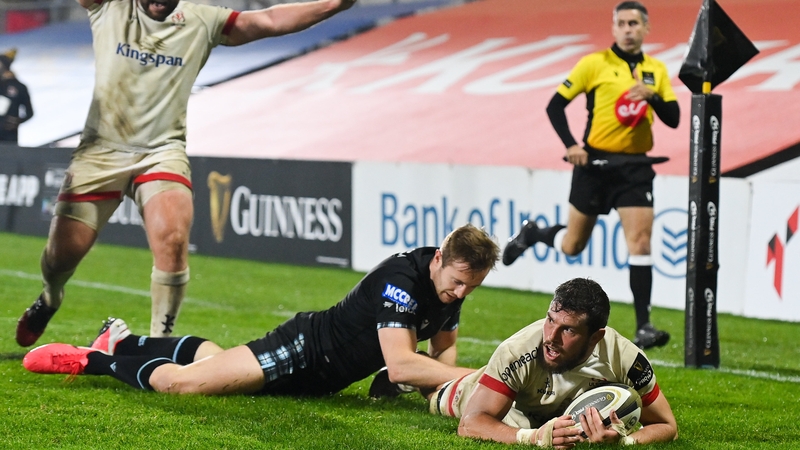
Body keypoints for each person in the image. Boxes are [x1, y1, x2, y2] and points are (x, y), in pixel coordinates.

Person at [15, 0, 357, 347]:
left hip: (161, 152)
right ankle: (50, 297)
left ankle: (159, 344)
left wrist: (334, 4)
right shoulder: (110, 7)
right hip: (100, 152)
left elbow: (269, 19)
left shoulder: (203, 20)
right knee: (61, 258)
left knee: (173, 240)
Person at [23, 224, 499, 398]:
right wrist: (484, 380)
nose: (460, 294)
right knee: (184, 385)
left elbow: (443, 354)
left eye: (470, 288)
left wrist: (436, 384)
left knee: (216, 359)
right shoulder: (404, 279)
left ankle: (123, 341)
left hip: (319, 378)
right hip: (303, 350)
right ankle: (95, 359)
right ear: (439, 258)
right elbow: (401, 362)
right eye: (457, 281)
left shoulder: (446, 292)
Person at [502, 1, 680, 350]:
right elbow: (555, 105)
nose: (628, 29)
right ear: (613, 29)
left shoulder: (656, 70)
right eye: (622, 23)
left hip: (634, 168)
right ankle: (534, 234)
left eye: (635, 23)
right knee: (572, 245)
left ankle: (644, 324)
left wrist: (654, 96)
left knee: (640, 243)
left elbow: (673, 117)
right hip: (594, 166)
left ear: (646, 29)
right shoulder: (593, 64)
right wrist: (572, 144)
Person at [427, 277, 678, 447]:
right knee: (434, 393)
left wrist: (623, 441)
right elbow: (470, 424)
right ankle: (413, 377)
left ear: (595, 337)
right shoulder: (518, 350)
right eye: (550, 320)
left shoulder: (625, 359)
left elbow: (667, 426)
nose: (551, 338)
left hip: (533, 406)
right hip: (465, 393)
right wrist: (535, 437)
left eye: (568, 330)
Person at [0, 48, 34, 144]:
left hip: (9, 137)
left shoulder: (19, 87)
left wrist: (18, 121)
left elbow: (29, 112)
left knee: (9, 157)